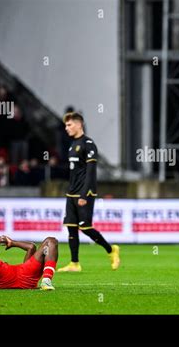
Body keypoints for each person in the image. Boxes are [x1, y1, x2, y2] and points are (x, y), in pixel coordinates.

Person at [57, 112, 120, 272]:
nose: (66, 128)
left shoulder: (88, 144)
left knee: (85, 227)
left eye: (69, 125)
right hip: (71, 193)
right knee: (71, 227)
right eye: (66, 125)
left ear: (79, 124)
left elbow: (91, 172)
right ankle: (74, 263)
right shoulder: (72, 145)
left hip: (84, 193)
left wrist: (85, 194)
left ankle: (111, 250)